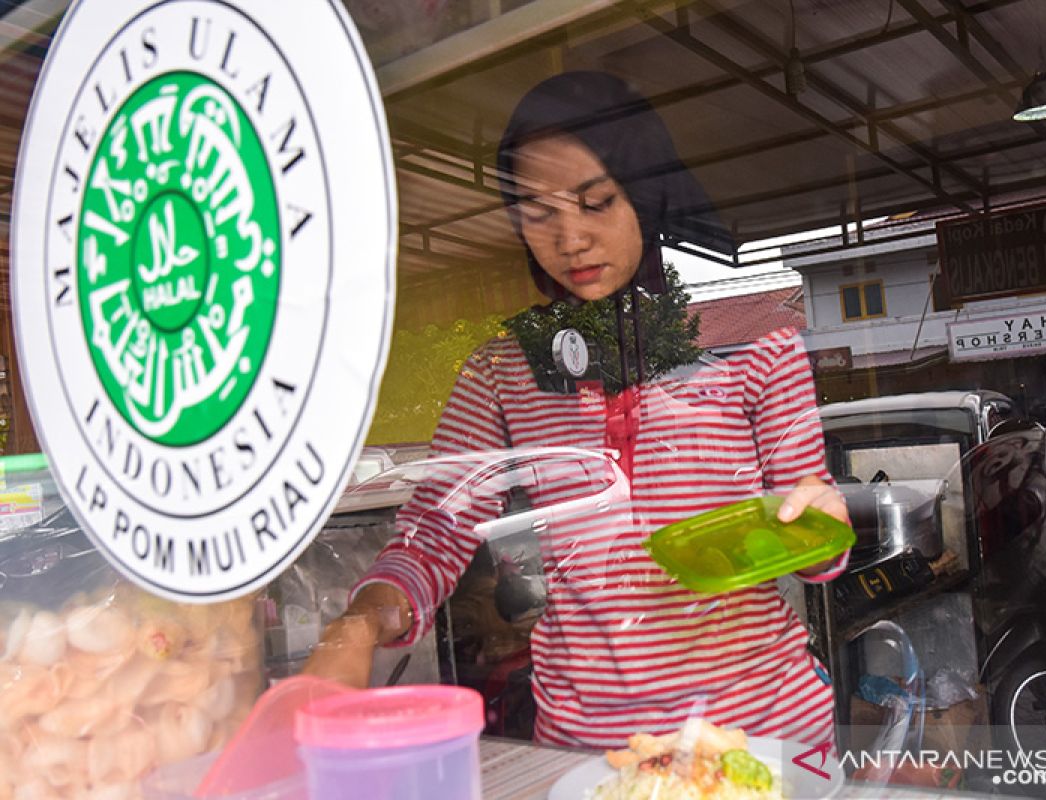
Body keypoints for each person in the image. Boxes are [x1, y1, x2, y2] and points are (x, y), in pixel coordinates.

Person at [304, 71, 850, 750]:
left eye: (596, 203)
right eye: (539, 214)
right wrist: (357, 626)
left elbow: (808, 526)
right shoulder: (503, 369)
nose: (570, 240)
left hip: (762, 729)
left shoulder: (753, 337)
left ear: (646, 199)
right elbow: (435, 531)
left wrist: (822, 525)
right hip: (592, 747)